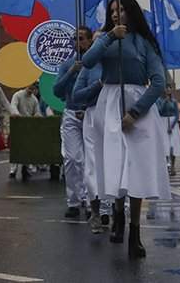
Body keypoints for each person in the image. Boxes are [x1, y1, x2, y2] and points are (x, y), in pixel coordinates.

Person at [81, 0, 168, 260]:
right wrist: (108, 36)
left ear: (132, 12)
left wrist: (136, 111)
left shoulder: (144, 43)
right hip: (109, 103)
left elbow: (158, 82)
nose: (117, 14)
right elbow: (87, 61)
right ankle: (118, 213)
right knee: (117, 166)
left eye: (121, 10)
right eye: (113, 10)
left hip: (137, 106)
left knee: (138, 171)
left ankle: (135, 232)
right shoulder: (104, 39)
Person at [52, 27, 96, 219]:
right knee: (72, 158)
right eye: (75, 39)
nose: (78, 43)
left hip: (91, 114)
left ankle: (89, 199)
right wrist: (71, 71)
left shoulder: (96, 64)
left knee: (89, 160)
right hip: (71, 113)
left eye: (81, 39)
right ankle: (73, 201)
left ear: (89, 41)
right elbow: (57, 91)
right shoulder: (68, 64)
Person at [74, 18, 109, 233]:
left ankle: (114, 209)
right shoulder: (88, 67)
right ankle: (96, 210)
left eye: (102, 41)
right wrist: (98, 85)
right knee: (93, 165)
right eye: (95, 42)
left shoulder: (117, 64)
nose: (99, 45)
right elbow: (78, 95)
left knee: (115, 163)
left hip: (114, 117)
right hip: (93, 115)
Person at [9, 81, 42, 180]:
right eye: (30, 87)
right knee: (16, 147)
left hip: (28, 125)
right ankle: (13, 170)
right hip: (18, 124)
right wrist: (16, 113)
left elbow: (37, 111)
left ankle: (26, 167)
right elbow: (13, 105)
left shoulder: (34, 99)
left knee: (27, 147)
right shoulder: (18, 95)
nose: (31, 90)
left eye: (33, 88)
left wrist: (37, 115)